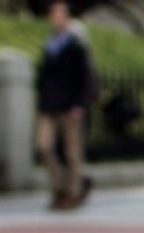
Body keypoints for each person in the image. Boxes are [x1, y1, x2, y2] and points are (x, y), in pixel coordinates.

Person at [36, 1, 92, 210]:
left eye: (60, 15)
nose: (55, 18)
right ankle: (59, 186)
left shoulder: (76, 46)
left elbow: (84, 78)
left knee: (72, 152)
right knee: (44, 146)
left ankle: (73, 191)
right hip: (48, 105)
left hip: (70, 106)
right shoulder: (48, 46)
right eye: (53, 15)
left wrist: (79, 104)